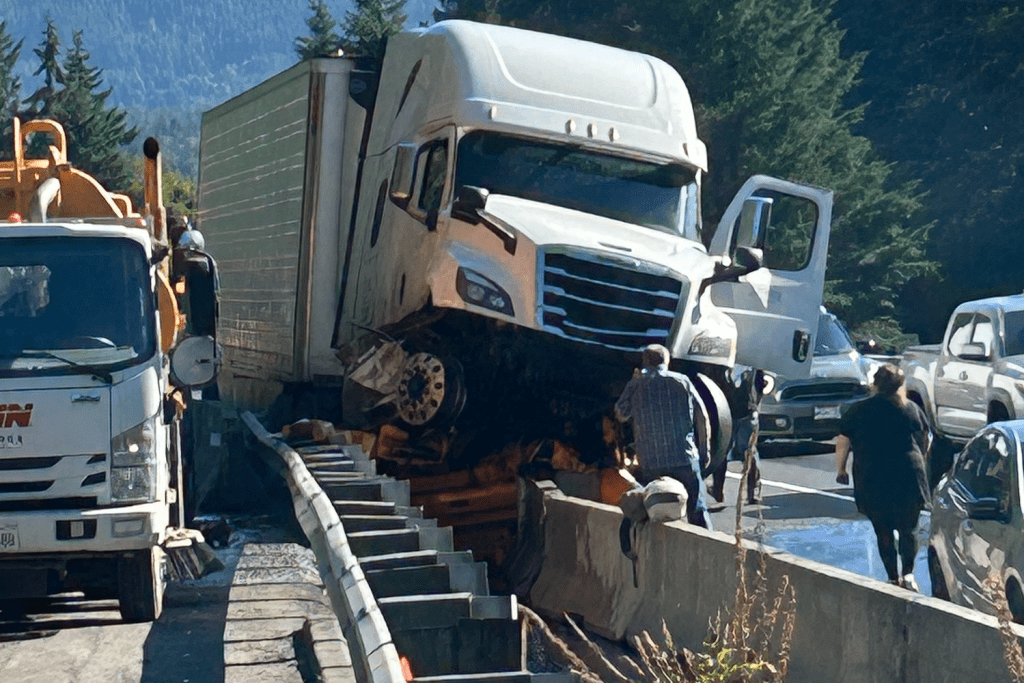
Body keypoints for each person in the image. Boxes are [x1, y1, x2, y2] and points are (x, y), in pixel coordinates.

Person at [835, 363, 931, 591]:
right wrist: (921, 459)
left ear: (874, 384)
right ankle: (908, 574)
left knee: (883, 529)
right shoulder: (910, 409)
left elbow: (843, 441)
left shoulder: (859, 410)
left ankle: (892, 577)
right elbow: (925, 438)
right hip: (908, 474)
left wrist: (841, 469)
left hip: (873, 475)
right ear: (901, 386)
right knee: (909, 528)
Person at [615, 344, 712, 529]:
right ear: (667, 361)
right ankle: (708, 541)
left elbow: (621, 413)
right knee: (698, 510)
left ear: (644, 362)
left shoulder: (636, 385)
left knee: (652, 513)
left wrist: (634, 382)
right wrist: (704, 451)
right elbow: (702, 417)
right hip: (684, 458)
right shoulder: (682, 381)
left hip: (651, 464)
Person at [710, 366, 769, 505]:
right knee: (746, 452)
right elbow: (761, 387)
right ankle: (750, 492)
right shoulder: (752, 367)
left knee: (724, 451)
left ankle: (719, 490)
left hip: (731, 413)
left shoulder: (724, 367)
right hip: (741, 413)